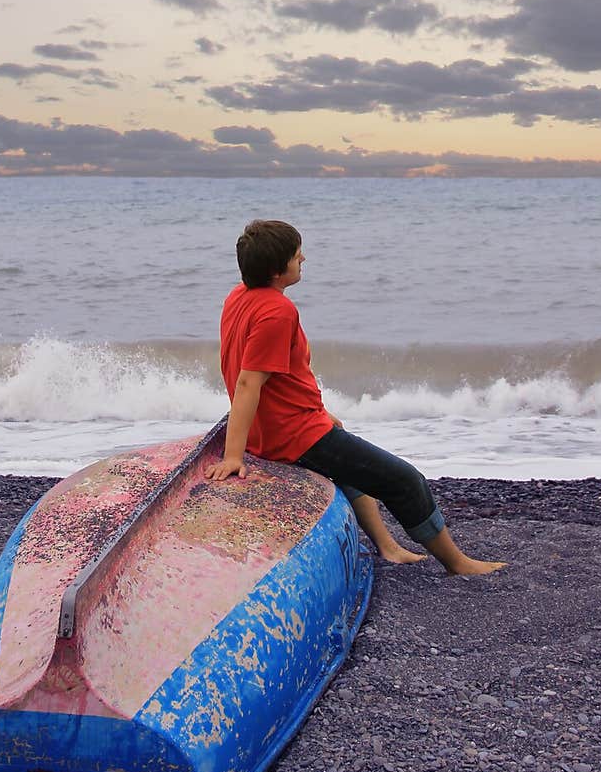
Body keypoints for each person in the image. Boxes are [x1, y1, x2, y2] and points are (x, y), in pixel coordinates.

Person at [205, 219, 506, 575]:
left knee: (346, 464)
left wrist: (318, 412)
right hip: (290, 434)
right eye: (295, 253)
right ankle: (458, 563)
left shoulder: (238, 297)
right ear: (275, 270)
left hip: (289, 423)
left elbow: (281, 378)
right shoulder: (277, 311)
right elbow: (247, 383)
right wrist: (234, 456)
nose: (303, 257)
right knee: (405, 480)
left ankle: (389, 547)